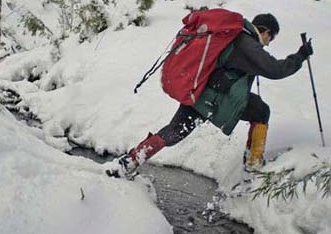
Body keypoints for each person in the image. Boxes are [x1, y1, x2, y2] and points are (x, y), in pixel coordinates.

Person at [106, 13, 313, 179]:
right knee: (261, 111)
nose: (269, 43)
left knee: (174, 131)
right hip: (216, 101)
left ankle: (130, 161)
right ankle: (253, 165)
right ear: (265, 31)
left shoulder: (233, 36)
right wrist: (300, 55)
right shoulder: (248, 44)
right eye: (271, 38)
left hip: (199, 92)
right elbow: (275, 69)